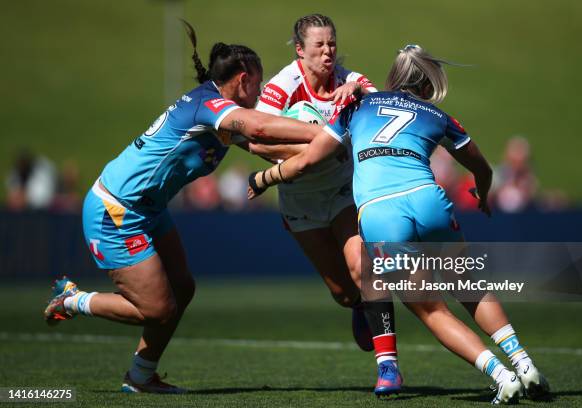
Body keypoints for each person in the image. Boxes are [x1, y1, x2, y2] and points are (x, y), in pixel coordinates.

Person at [247, 44, 550, 403]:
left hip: (381, 213)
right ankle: (524, 364)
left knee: (431, 308)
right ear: (426, 85)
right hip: (429, 200)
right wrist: (482, 196)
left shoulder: (355, 108)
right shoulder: (437, 115)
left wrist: (263, 179)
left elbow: (307, 161)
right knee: (471, 288)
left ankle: (500, 376)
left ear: (394, 77)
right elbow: (481, 169)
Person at [43, 22, 321, 394]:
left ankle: (141, 377)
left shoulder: (219, 110)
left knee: (182, 288)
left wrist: (323, 152)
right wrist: (325, 133)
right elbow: (258, 129)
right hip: (115, 210)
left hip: (147, 209)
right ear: (242, 80)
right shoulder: (210, 106)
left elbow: (262, 146)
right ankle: (74, 300)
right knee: (158, 309)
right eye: (259, 81)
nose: (262, 88)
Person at [249, 13, 392, 357]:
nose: (328, 52)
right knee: (343, 293)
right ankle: (359, 306)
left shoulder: (349, 79)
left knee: (362, 269)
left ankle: (387, 363)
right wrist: (315, 153)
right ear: (300, 50)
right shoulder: (283, 86)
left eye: (332, 44)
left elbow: (380, 105)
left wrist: (356, 90)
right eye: (319, 45)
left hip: (344, 190)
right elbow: (256, 140)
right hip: (300, 201)